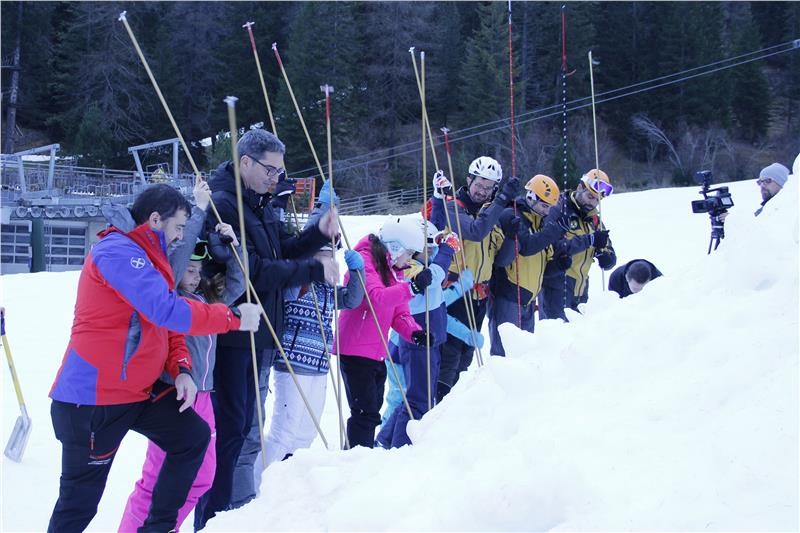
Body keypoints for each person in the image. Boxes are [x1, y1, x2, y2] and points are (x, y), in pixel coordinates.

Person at [47, 184, 260, 533]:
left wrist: (181, 368)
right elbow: (164, 310)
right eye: (179, 227)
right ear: (156, 220)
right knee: (78, 507)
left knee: (193, 437)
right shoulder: (117, 251)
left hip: (135, 393)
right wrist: (231, 318)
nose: (181, 237)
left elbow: (164, 327)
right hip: (93, 400)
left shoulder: (149, 257)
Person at [195, 129, 340, 528]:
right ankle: (211, 514)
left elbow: (282, 249)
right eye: (270, 170)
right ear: (245, 162)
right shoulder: (226, 205)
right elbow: (254, 271)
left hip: (260, 333)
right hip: (232, 333)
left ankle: (223, 510)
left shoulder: (260, 204)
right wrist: (313, 270)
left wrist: (318, 233)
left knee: (243, 426)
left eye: (280, 171)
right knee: (230, 428)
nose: (276, 178)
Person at [116, 183, 246, 532]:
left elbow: (238, 283)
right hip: (175, 393)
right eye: (189, 268)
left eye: (198, 270)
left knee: (201, 478)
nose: (195, 274)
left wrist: (234, 247)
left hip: (204, 396)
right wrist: (199, 211)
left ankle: (162, 527)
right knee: (157, 479)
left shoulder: (207, 302)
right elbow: (172, 267)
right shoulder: (169, 296)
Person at [264, 210, 365, 465]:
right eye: (325, 255)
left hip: (318, 366)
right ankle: (258, 481)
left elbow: (352, 300)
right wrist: (312, 265)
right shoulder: (299, 284)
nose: (331, 261)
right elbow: (296, 273)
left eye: (333, 256)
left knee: (305, 433)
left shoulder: (327, 289)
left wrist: (357, 272)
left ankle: (286, 479)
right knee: (284, 431)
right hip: (293, 363)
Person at [429, 159, 520, 401]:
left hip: (479, 296)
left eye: (489, 188)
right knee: (448, 355)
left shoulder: (491, 215)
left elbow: (501, 260)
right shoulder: (452, 207)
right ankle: (436, 404)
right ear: (469, 180)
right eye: (479, 184)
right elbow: (475, 231)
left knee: (464, 356)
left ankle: (452, 406)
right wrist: (501, 201)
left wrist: (511, 237)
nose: (482, 191)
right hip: (452, 294)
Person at [335, 216, 428, 449]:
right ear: (396, 247)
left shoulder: (393, 270)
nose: (410, 260)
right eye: (409, 253)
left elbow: (399, 312)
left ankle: (356, 455)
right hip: (356, 349)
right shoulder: (365, 261)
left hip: (376, 352)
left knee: (372, 409)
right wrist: (413, 287)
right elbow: (376, 298)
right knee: (365, 413)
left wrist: (414, 332)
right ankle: (355, 458)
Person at [378, 220, 461, 448]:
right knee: (418, 401)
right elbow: (434, 277)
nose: (432, 251)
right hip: (418, 340)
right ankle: (401, 447)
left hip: (429, 339)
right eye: (429, 248)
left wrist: (443, 243)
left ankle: (385, 441)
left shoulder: (422, 262)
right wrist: (447, 250)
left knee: (416, 397)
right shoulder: (409, 268)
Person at [488, 174, 567, 356]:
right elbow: (527, 247)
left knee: (525, 355)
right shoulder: (512, 215)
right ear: (531, 197)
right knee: (505, 355)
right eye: (544, 206)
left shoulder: (540, 223)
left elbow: (540, 267)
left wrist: (559, 265)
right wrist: (552, 232)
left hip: (529, 301)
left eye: (550, 208)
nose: (547, 212)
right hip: (508, 297)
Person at [539, 169, 616, 321]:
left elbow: (610, 252)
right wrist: (589, 240)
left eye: (597, 200)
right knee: (557, 332)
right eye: (590, 197)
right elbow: (551, 246)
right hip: (557, 287)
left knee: (580, 333)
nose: (592, 203)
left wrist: (606, 257)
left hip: (581, 290)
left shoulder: (594, 219)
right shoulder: (558, 209)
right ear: (580, 187)